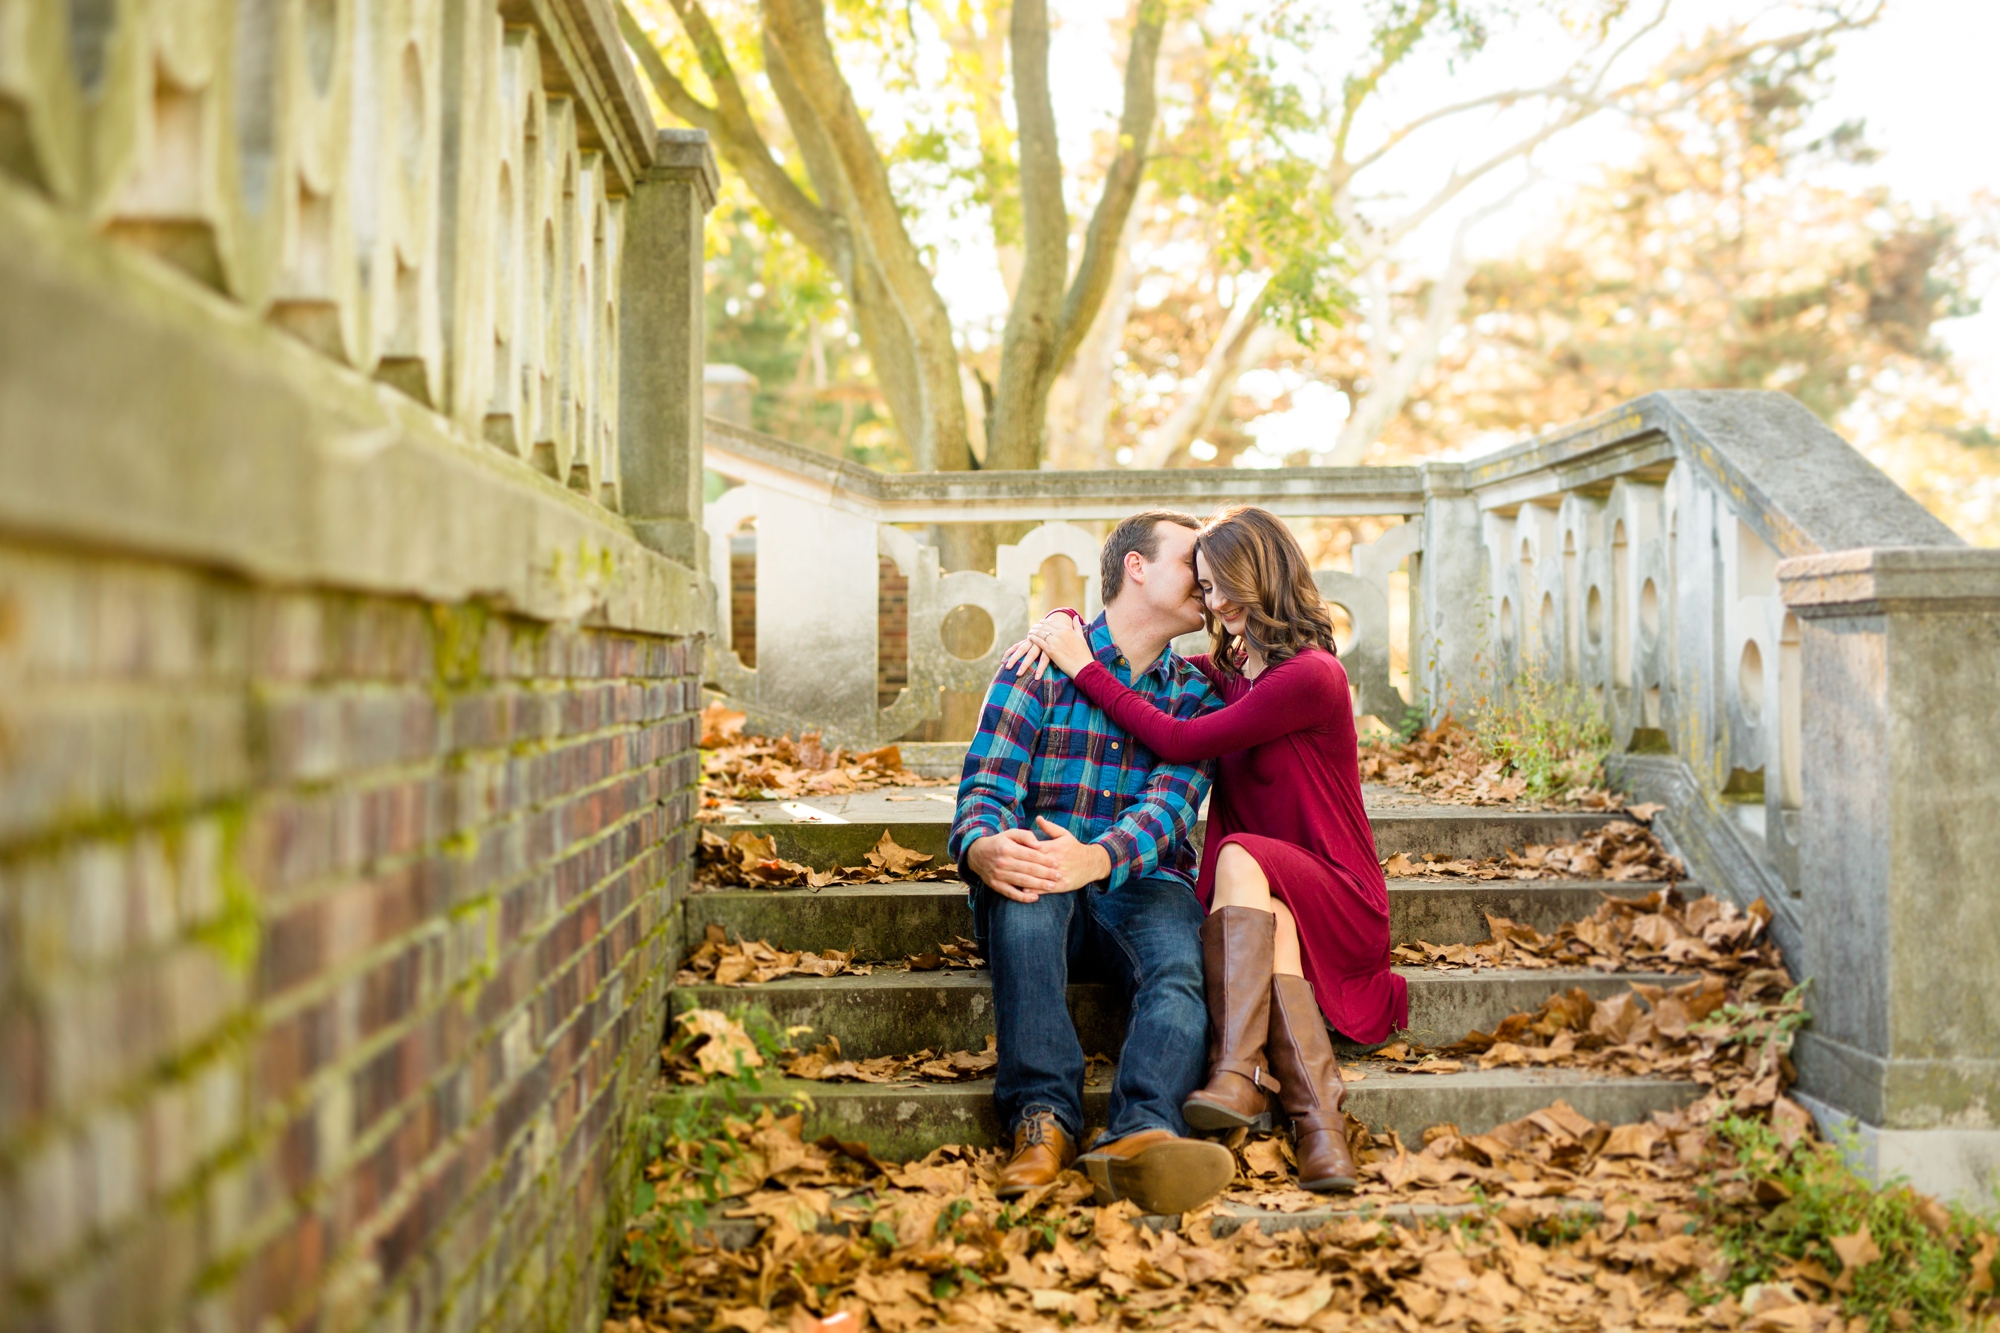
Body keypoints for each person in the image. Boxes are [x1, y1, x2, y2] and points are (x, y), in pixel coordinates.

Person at [1009, 504, 1407, 1193]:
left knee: (1239, 854)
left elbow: (1181, 740)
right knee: (1266, 917)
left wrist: (1081, 668)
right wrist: (1074, 626)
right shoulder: (1236, 675)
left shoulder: (1310, 675)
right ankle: (1322, 1135)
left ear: (1258, 577)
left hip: (1334, 884)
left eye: (1219, 584)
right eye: (1203, 582)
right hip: (1269, 896)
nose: (1211, 598)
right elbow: (1137, 654)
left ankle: (1237, 1069)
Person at [950, 510, 1239, 1218]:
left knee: (1178, 961)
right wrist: (983, 845)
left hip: (1142, 882)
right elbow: (985, 790)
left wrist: (1097, 857)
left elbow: (1171, 808)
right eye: (1190, 564)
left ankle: (1143, 1131)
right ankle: (1042, 1119)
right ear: (1135, 567)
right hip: (1044, 868)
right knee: (1028, 894)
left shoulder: (1197, 694)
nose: (1207, 582)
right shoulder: (1037, 664)